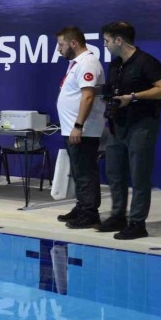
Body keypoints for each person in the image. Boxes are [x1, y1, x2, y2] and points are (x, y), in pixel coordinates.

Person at [97, 21, 161, 240]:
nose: (105, 45)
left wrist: (134, 97)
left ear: (119, 40)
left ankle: (137, 223)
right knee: (114, 173)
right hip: (118, 124)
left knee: (139, 175)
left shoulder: (147, 62)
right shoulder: (115, 65)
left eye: (106, 41)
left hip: (142, 124)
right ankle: (118, 216)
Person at [54, 27, 106, 229]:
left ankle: (90, 213)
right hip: (72, 128)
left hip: (83, 129)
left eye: (61, 44)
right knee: (78, 171)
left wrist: (78, 125)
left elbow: (88, 96)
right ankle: (82, 206)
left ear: (73, 43)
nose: (58, 49)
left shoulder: (88, 63)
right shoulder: (76, 63)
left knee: (85, 172)